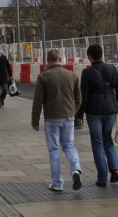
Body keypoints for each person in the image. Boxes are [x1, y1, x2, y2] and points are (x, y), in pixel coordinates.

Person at [31, 49, 83, 192]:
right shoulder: (72, 75)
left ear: (48, 61)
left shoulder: (43, 77)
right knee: (69, 145)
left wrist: (35, 121)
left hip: (52, 117)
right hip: (69, 116)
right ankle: (76, 170)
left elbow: (38, 102)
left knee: (54, 150)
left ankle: (57, 183)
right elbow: (78, 98)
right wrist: (73, 111)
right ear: (60, 59)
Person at [77, 43, 118, 187]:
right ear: (101, 54)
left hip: (94, 110)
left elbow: (84, 96)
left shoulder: (87, 73)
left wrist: (79, 114)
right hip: (110, 108)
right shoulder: (112, 69)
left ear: (90, 56)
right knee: (107, 139)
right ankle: (115, 168)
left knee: (97, 142)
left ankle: (102, 177)